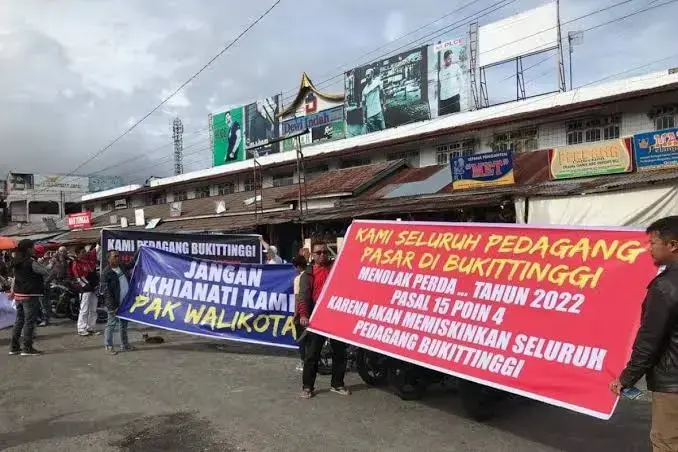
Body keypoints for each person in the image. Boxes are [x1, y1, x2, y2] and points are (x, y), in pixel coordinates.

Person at [610, 216, 678, 451]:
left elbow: (649, 341)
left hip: (673, 384)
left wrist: (626, 378)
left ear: (672, 245)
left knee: (667, 442)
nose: (649, 249)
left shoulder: (665, 286)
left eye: (653, 242)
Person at [298, 240, 350, 399]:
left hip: (335, 315)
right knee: (312, 354)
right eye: (319, 252)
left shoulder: (336, 269)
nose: (322, 255)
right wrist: (303, 315)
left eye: (325, 252)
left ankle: (337, 384)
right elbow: (303, 297)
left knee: (340, 352)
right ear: (312, 255)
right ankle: (307, 387)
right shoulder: (307, 275)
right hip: (317, 317)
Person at [8, 239, 51, 356]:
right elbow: (45, 272)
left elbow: (15, 278)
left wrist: (12, 291)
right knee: (29, 322)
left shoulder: (16, 261)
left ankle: (14, 347)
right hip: (30, 295)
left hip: (18, 295)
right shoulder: (31, 261)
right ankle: (27, 348)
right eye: (33, 247)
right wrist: (45, 263)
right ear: (28, 249)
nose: (34, 250)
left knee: (19, 321)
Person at [100, 250, 134, 355]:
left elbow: (132, 263)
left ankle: (124, 344)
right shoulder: (106, 273)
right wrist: (111, 307)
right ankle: (108, 346)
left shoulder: (122, 266)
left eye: (118, 256)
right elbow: (107, 293)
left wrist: (140, 250)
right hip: (114, 304)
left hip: (125, 302)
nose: (118, 258)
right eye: (115, 256)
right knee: (111, 325)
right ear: (109, 259)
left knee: (123, 324)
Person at [72, 246, 99, 336]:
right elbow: (78, 277)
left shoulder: (88, 261)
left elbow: (94, 252)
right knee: (84, 309)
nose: (85, 253)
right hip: (85, 289)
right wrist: (86, 286)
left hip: (93, 288)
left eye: (85, 251)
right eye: (82, 252)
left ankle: (90, 327)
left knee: (93, 309)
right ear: (78, 254)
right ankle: (81, 328)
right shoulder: (76, 263)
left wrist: (98, 245)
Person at [292, 255, 309, 372]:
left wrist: (295, 314)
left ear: (298, 267)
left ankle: (304, 361)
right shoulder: (310, 275)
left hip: (302, 312)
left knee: (301, 338)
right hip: (312, 309)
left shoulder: (298, 279)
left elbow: (298, 298)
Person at [438, 49, 463, 116]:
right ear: (444, 59)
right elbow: (441, 83)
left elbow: (461, 80)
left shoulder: (456, 67)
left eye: (452, 58)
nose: (451, 60)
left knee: (456, 117)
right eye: (449, 58)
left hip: (454, 96)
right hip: (444, 99)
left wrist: (460, 92)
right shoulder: (441, 71)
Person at [361, 68, 386, 133]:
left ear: (372, 74)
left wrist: (384, 105)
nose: (366, 77)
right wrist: (363, 117)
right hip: (370, 116)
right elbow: (363, 105)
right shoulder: (364, 90)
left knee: (384, 131)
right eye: (366, 76)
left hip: (378, 112)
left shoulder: (377, 83)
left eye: (368, 75)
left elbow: (383, 93)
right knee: (374, 134)